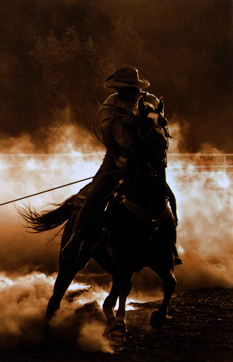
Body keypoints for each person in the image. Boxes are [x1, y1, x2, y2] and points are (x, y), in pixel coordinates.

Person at [62, 66, 180, 263]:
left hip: (145, 160)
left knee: (168, 199)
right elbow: (107, 134)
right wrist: (120, 158)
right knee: (93, 196)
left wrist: (133, 120)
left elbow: (156, 121)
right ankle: (76, 239)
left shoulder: (150, 101)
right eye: (120, 88)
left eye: (126, 87)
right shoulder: (111, 103)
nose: (122, 91)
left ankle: (170, 245)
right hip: (115, 158)